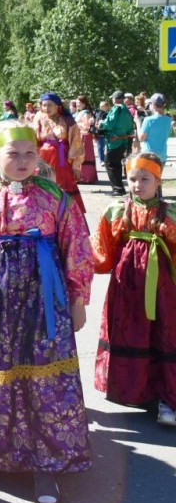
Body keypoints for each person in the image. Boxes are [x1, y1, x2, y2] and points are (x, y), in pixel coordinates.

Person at [0, 120, 93, 503]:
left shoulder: (56, 197)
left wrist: (77, 299)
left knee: (44, 376)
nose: (23, 160)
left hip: (45, 302)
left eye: (30, 153)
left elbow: (77, 247)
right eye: (13, 153)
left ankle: (46, 461)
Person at [92, 152, 176, 426]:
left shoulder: (170, 213)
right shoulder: (116, 210)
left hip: (161, 289)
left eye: (145, 178)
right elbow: (101, 249)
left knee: (163, 332)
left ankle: (167, 397)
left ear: (158, 180)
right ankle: (134, 391)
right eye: (132, 179)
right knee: (130, 330)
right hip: (126, 287)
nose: (138, 184)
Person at [34, 92, 86, 212]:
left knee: (64, 186)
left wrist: (76, 165)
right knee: (44, 183)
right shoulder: (39, 118)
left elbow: (76, 142)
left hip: (62, 160)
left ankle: (68, 213)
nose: (46, 108)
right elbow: (35, 140)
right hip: (43, 158)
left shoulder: (67, 120)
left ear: (58, 106)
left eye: (50, 105)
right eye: (44, 105)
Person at [99, 91, 136, 196]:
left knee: (110, 164)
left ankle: (117, 189)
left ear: (115, 99)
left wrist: (101, 124)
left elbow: (109, 124)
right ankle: (119, 188)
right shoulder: (126, 110)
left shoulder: (116, 109)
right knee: (117, 164)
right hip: (123, 141)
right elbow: (130, 127)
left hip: (113, 141)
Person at [138, 93, 171, 163]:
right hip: (162, 156)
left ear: (153, 105)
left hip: (149, 155)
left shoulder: (149, 120)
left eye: (150, 103)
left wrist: (137, 123)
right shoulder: (168, 120)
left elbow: (141, 138)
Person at [74, 95, 98, 184]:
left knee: (84, 155)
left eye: (78, 102)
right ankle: (81, 176)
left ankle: (86, 177)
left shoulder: (86, 112)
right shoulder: (81, 112)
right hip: (80, 135)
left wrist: (77, 125)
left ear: (83, 103)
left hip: (85, 135)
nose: (77, 104)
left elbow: (87, 126)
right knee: (81, 155)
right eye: (76, 102)